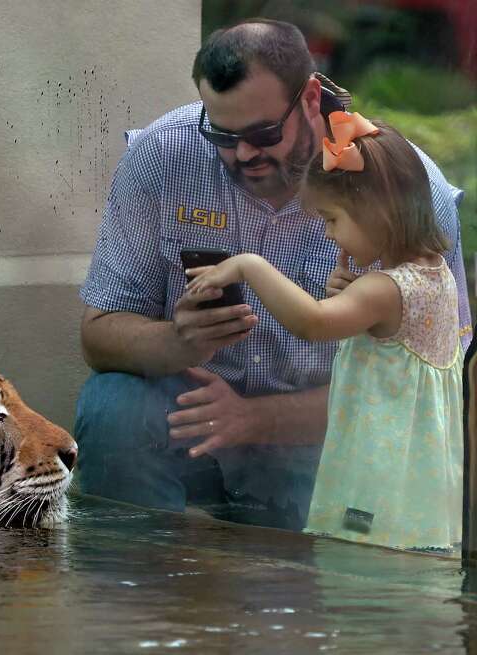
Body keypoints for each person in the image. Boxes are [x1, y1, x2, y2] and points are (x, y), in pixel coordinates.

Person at [74, 18, 472, 531]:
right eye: (221, 134)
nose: (243, 153)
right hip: (190, 418)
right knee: (113, 408)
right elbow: (98, 335)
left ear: (310, 99)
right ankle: (139, 573)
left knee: (310, 560)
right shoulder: (162, 156)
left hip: (319, 442)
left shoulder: (403, 192)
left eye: (262, 133)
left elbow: (435, 385)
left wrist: (255, 419)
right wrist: (178, 341)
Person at [186, 113, 462, 550]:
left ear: (376, 210)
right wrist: (353, 300)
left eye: (333, 220)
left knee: (354, 565)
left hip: (374, 486)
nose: (331, 236)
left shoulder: (384, 289)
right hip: (414, 488)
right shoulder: (435, 275)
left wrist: (248, 265)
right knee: (400, 573)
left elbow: (312, 323)